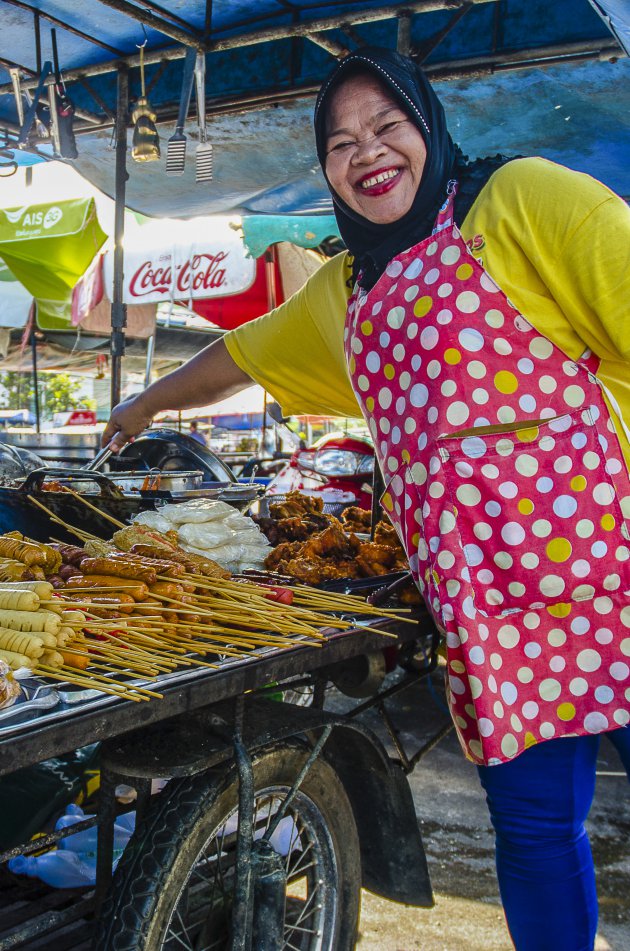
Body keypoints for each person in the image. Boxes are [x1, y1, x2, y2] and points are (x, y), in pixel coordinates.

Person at [103, 47, 630, 950]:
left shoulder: (521, 201)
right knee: (539, 835)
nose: (367, 152)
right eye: (341, 142)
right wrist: (147, 401)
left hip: (614, 572)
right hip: (497, 619)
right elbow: (244, 353)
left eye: (388, 126)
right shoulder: (349, 290)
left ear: (427, 127)